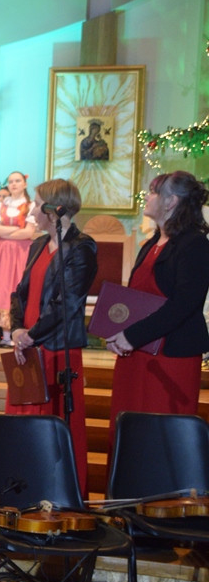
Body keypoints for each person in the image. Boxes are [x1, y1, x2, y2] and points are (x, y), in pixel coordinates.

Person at [104, 171, 209, 454]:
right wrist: (116, 332)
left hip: (169, 359)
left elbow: (183, 305)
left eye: (152, 192)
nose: (146, 197)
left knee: (160, 440)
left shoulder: (195, 244)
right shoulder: (151, 243)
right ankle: (127, 498)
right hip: (136, 354)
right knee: (130, 433)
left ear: (170, 201)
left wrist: (131, 335)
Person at [7, 179, 97, 495]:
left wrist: (32, 336)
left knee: (56, 427)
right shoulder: (38, 245)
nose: (32, 210)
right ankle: (22, 496)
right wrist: (17, 329)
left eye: (36, 204)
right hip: (28, 347)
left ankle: (56, 496)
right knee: (23, 427)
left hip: (57, 349)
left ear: (54, 210)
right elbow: (20, 293)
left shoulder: (82, 248)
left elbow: (67, 303)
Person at [0, 171, 35, 340]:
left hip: (21, 252)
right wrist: (17, 230)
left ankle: (18, 332)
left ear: (24, 184)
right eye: (11, 181)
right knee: (2, 287)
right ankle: (5, 336)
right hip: (2, 252)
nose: (14, 184)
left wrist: (5, 232)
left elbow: (29, 232)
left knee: (17, 285)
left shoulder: (30, 206)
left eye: (17, 181)